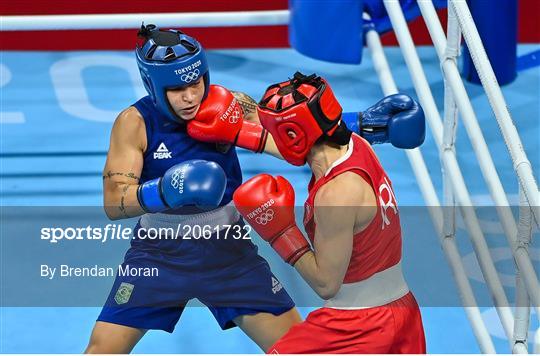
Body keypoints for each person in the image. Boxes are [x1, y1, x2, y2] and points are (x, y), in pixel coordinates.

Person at [87, 23, 422, 353]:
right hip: (159, 254)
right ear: (155, 86)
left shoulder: (230, 103)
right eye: (176, 90)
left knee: (300, 350)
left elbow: (295, 131)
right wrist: (164, 191)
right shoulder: (133, 123)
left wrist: (371, 125)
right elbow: (114, 202)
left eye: (196, 83)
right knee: (101, 350)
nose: (190, 96)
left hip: (229, 253)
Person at [232, 72, 427, 353]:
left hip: (359, 324)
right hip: (402, 310)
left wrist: (281, 233)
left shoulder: (335, 195)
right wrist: (242, 128)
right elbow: (295, 140)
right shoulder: (357, 146)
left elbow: (326, 284)